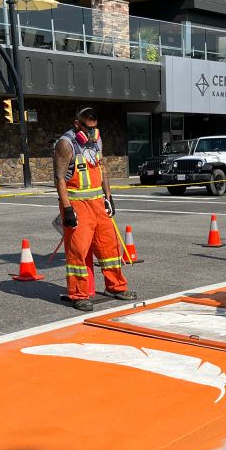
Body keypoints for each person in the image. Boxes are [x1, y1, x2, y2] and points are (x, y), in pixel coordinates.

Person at [53, 106, 136, 311]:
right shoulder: (66, 144)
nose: (91, 132)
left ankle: (115, 287)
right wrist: (67, 208)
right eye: (87, 128)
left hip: (98, 203)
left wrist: (108, 196)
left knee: (110, 247)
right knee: (77, 252)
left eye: (94, 128)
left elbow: (102, 168)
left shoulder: (97, 140)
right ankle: (78, 294)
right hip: (77, 205)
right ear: (77, 124)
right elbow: (59, 177)